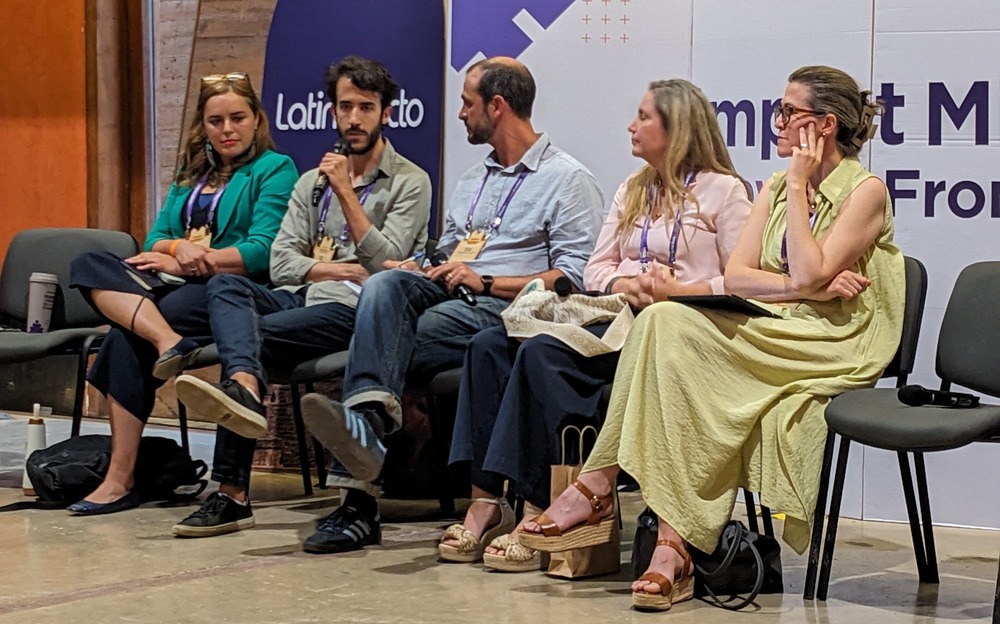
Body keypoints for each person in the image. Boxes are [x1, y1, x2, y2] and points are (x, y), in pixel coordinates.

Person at [519, 65, 904, 613]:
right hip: (786, 321)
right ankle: (656, 533)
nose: (778, 121)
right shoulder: (771, 186)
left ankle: (607, 497)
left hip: (836, 339)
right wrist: (803, 284)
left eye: (789, 112)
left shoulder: (863, 191)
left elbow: (811, 271)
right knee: (662, 319)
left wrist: (799, 194)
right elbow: (747, 274)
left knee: (676, 337)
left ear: (825, 125)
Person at [295, 56, 605, 554]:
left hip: (508, 307)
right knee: (383, 289)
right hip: (451, 292)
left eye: (467, 102)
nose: (460, 113)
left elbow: (575, 277)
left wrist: (485, 280)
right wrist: (417, 266)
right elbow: (449, 250)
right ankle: (368, 426)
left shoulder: (567, 179)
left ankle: (360, 468)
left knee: (382, 334)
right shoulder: (472, 179)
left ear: (497, 106)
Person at [440, 79, 752, 569]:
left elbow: (740, 283)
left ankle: (541, 506)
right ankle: (486, 502)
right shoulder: (632, 189)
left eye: (644, 117)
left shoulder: (724, 192)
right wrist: (626, 283)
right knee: (488, 344)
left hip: (678, 339)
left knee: (541, 356)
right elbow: (594, 268)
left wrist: (676, 288)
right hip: (617, 323)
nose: (632, 125)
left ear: (678, 127)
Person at [168, 57, 432, 537]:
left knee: (244, 342)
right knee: (226, 286)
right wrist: (336, 263)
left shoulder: (411, 182)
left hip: (356, 310)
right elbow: (281, 262)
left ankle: (231, 493)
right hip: (300, 297)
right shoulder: (311, 181)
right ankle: (245, 388)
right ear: (332, 110)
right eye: (345, 107)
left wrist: (347, 195)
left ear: (386, 114)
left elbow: (386, 266)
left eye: (365, 108)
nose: (353, 119)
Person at [66, 72, 298, 515]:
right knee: (88, 263)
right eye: (215, 121)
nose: (226, 130)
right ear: (203, 125)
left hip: (229, 290)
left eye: (237, 118)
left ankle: (120, 479)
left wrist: (194, 262)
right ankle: (169, 342)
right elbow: (156, 236)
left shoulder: (274, 169)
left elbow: (262, 249)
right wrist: (175, 250)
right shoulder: (193, 172)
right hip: (175, 284)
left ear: (256, 120)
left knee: (120, 337)